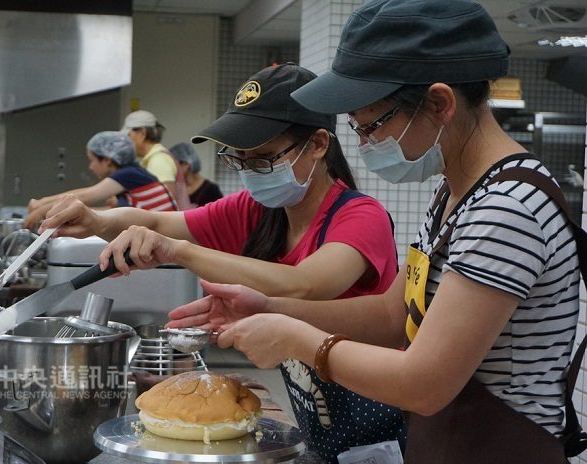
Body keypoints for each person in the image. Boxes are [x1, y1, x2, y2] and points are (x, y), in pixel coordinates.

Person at [167, 1, 583, 463]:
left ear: (440, 102)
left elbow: (424, 384)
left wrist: (297, 339)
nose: (363, 144)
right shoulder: (454, 194)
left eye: (370, 125)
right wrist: (268, 307)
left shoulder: (508, 211)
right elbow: (391, 315)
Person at [40, 63, 405, 462]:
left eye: (263, 159)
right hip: (319, 419)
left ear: (318, 144)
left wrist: (177, 251)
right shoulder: (260, 210)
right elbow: (159, 221)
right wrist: (98, 221)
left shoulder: (359, 216)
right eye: (241, 161)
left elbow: (306, 284)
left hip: (382, 426)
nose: (251, 173)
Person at [24, 132, 176, 229]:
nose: (90, 167)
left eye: (92, 160)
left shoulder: (128, 174)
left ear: (108, 160)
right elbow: (110, 213)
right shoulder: (134, 175)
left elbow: (86, 196)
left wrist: (41, 209)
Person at [121, 110, 178, 202]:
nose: (127, 141)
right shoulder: (152, 159)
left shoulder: (159, 160)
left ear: (142, 133)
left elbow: (166, 204)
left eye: (129, 135)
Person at [168, 142, 223, 208]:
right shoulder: (174, 187)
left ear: (185, 164)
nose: (170, 167)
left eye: (172, 164)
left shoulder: (211, 190)